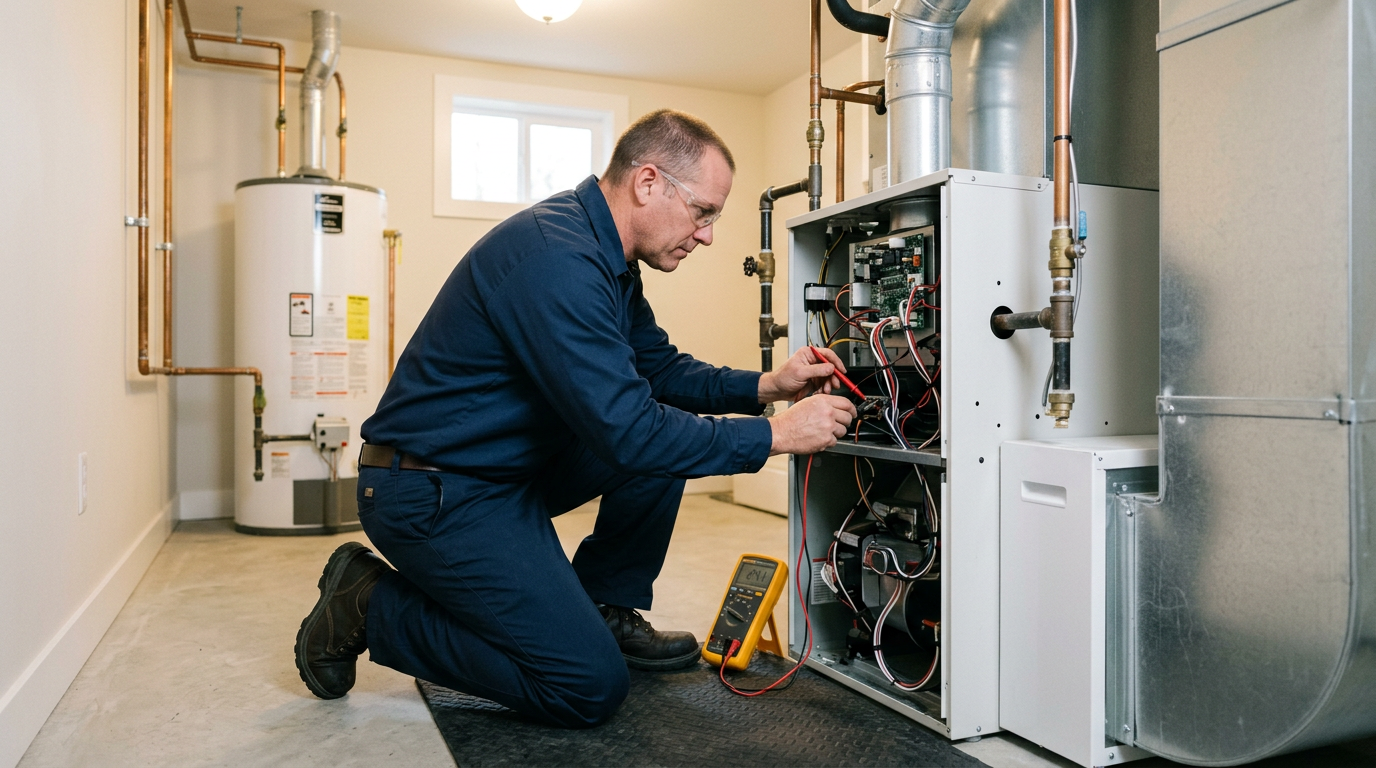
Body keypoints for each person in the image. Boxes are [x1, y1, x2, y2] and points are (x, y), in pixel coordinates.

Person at [293, 109, 856, 727]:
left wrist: (768, 385)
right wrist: (777, 434)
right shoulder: (556, 258)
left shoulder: (608, 259)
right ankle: (369, 604)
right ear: (648, 183)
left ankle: (598, 607)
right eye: (704, 213)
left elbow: (659, 372)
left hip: (502, 474)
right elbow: (629, 430)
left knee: (661, 433)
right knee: (585, 687)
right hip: (431, 491)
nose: (707, 236)